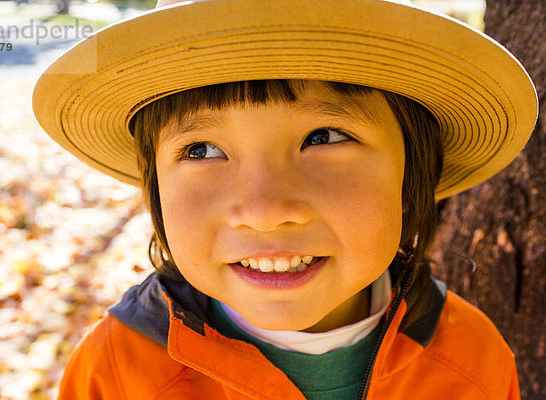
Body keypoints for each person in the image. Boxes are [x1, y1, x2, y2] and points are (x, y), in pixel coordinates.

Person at [32, 0, 538, 398]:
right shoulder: (117, 371)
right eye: (202, 150)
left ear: (412, 177)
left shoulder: (472, 359)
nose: (264, 211)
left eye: (324, 137)